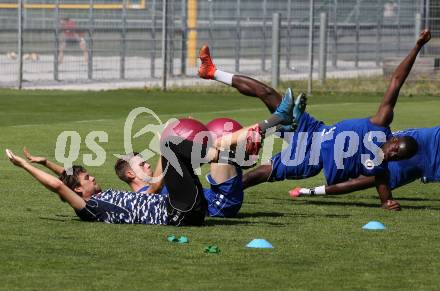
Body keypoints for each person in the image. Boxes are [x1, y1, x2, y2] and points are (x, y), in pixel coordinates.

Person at [198, 29, 432, 210]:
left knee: (256, 175)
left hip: (309, 158)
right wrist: (417, 46)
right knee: (268, 93)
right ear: (396, 138)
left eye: (396, 157)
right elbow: (396, 82)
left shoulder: (380, 168)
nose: (391, 155)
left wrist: (387, 203)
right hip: (314, 129)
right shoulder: (381, 123)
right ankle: (212, 72)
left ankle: (213, 197)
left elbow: (377, 194)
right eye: (394, 149)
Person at [5, 90, 303, 226]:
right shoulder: (93, 210)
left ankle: (273, 124)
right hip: (179, 214)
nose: (91, 177)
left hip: (186, 206)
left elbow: (66, 179)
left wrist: (48, 162)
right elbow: (61, 188)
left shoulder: (109, 194)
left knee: (176, 147)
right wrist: (24, 165)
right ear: (79, 193)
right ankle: (229, 147)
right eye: (86, 180)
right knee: (173, 146)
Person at [114, 118, 246, 218]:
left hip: (217, 198)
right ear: (131, 174)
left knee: (215, 138)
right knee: (220, 142)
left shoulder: (163, 180)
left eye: (146, 162)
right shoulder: (140, 197)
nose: (148, 165)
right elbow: (156, 186)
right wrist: (165, 147)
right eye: (142, 165)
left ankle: (254, 138)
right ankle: (258, 133)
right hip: (217, 205)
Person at [290, 126, 440, 197]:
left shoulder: (385, 141)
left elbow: (355, 183)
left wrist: (309, 192)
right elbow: (355, 183)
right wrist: (309, 191)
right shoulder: (399, 167)